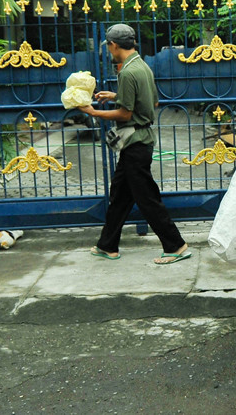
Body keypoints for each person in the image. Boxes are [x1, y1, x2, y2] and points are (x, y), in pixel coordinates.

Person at [78, 23, 190, 264]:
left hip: (136, 143)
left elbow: (125, 115)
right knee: (120, 195)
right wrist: (115, 95)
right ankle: (107, 245)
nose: (109, 50)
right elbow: (152, 102)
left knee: (146, 198)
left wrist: (94, 112)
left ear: (114, 45)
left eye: (108, 46)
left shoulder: (127, 72)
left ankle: (175, 245)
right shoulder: (141, 66)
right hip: (139, 142)